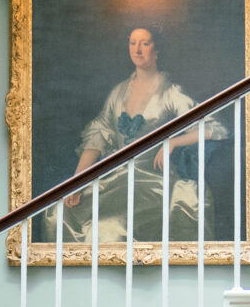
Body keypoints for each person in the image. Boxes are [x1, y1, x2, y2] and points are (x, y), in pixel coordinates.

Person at [62, 27, 227, 243]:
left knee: (107, 228)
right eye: (133, 43)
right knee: (58, 214)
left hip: (154, 182)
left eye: (145, 44)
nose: (137, 50)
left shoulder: (171, 92)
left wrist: (173, 142)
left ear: (157, 50)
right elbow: (98, 136)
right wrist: (76, 182)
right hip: (117, 179)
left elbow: (214, 127)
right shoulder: (119, 92)